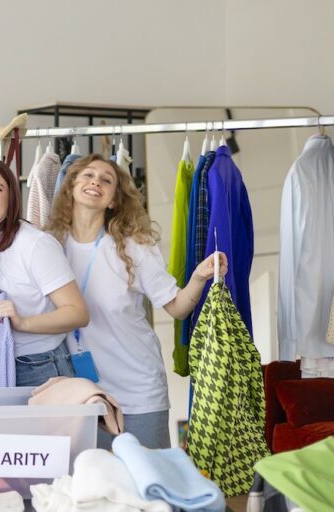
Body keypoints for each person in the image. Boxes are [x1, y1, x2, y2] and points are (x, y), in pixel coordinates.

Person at [46, 154, 227, 449]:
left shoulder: (133, 247)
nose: (96, 182)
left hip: (137, 389)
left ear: (114, 200)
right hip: (82, 395)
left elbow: (177, 307)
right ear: (70, 187)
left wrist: (198, 277)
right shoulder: (49, 245)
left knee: (149, 482)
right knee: (95, 486)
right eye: (88, 175)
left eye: (106, 179)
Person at [0, 157, 89, 386]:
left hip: (37, 367)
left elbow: (77, 313)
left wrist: (23, 322)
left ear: (11, 197)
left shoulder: (34, 244)